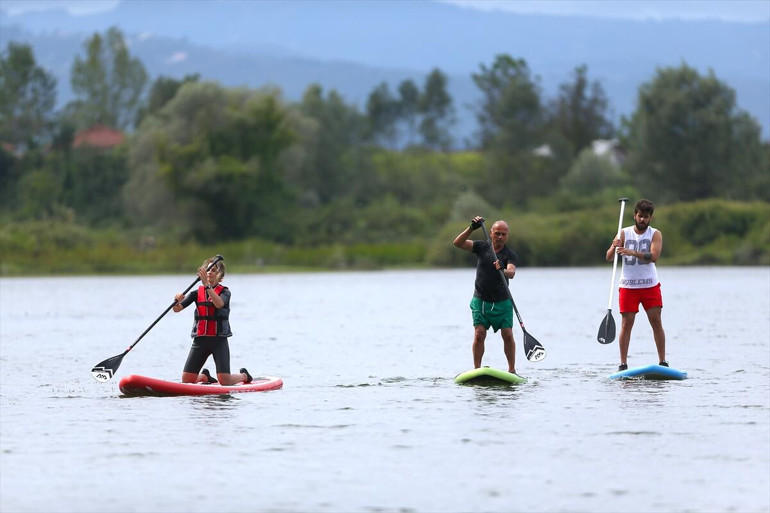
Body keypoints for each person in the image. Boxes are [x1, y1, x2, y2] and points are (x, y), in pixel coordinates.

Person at [605, 199, 667, 371]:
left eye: (646, 217)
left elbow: (653, 257)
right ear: (635, 215)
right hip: (628, 287)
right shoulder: (623, 233)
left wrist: (631, 252)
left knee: (656, 321)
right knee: (627, 324)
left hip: (650, 286)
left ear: (650, 218)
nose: (642, 220)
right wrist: (614, 247)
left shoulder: (655, 234)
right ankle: (623, 364)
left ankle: (662, 361)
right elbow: (609, 257)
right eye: (640, 216)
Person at [453, 216, 519, 374]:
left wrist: (502, 268)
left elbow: (511, 273)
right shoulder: (482, 247)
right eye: (497, 233)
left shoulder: (510, 254)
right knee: (479, 334)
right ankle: (477, 370)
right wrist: (471, 228)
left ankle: (512, 370)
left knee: (508, 334)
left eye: (503, 234)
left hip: (503, 302)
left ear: (507, 236)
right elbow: (457, 243)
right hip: (481, 300)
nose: (500, 237)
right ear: (491, 233)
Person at [172, 257, 252, 385]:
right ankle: (204, 377)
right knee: (187, 380)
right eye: (208, 270)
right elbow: (177, 309)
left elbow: (219, 304)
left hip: (218, 340)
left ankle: (244, 376)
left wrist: (207, 285)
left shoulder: (225, 292)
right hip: (200, 340)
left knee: (225, 381)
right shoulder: (196, 293)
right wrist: (177, 300)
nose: (209, 272)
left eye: (213, 270)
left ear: (220, 276)